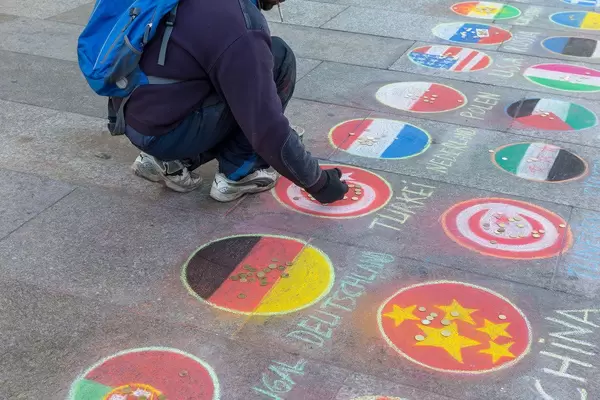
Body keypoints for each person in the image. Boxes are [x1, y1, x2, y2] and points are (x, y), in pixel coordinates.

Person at [112, 0, 349, 203]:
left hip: (135, 116)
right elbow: (267, 127)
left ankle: (166, 159)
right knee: (278, 58)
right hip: (167, 131)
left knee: (228, 76)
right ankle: (240, 172)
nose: (282, 2)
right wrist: (320, 184)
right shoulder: (240, 25)